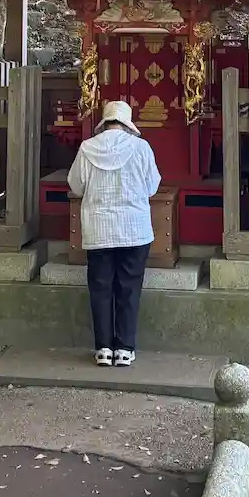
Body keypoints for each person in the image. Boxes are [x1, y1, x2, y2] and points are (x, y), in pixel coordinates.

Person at [67, 100, 161, 369]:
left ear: (105, 122)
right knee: (128, 289)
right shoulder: (141, 148)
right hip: (134, 230)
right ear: (127, 124)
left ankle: (103, 349)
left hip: (99, 230)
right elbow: (152, 186)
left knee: (101, 288)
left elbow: (75, 185)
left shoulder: (87, 148)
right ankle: (125, 349)